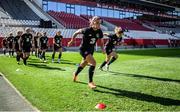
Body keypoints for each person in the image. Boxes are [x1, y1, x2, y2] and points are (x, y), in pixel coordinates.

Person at [68, 16, 105, 89]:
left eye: (99, 23)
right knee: (93, 63)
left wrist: (103, 49)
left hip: (91, 50)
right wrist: (72, 40)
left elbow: (101, 41)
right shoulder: (87, 30)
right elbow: (76, 32)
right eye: (97, 23)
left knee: (83, 64)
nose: (99, 25)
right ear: (92, 23)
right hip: (83, 49)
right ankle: (90, 82)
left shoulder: (99, 31)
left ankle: (75, 74)